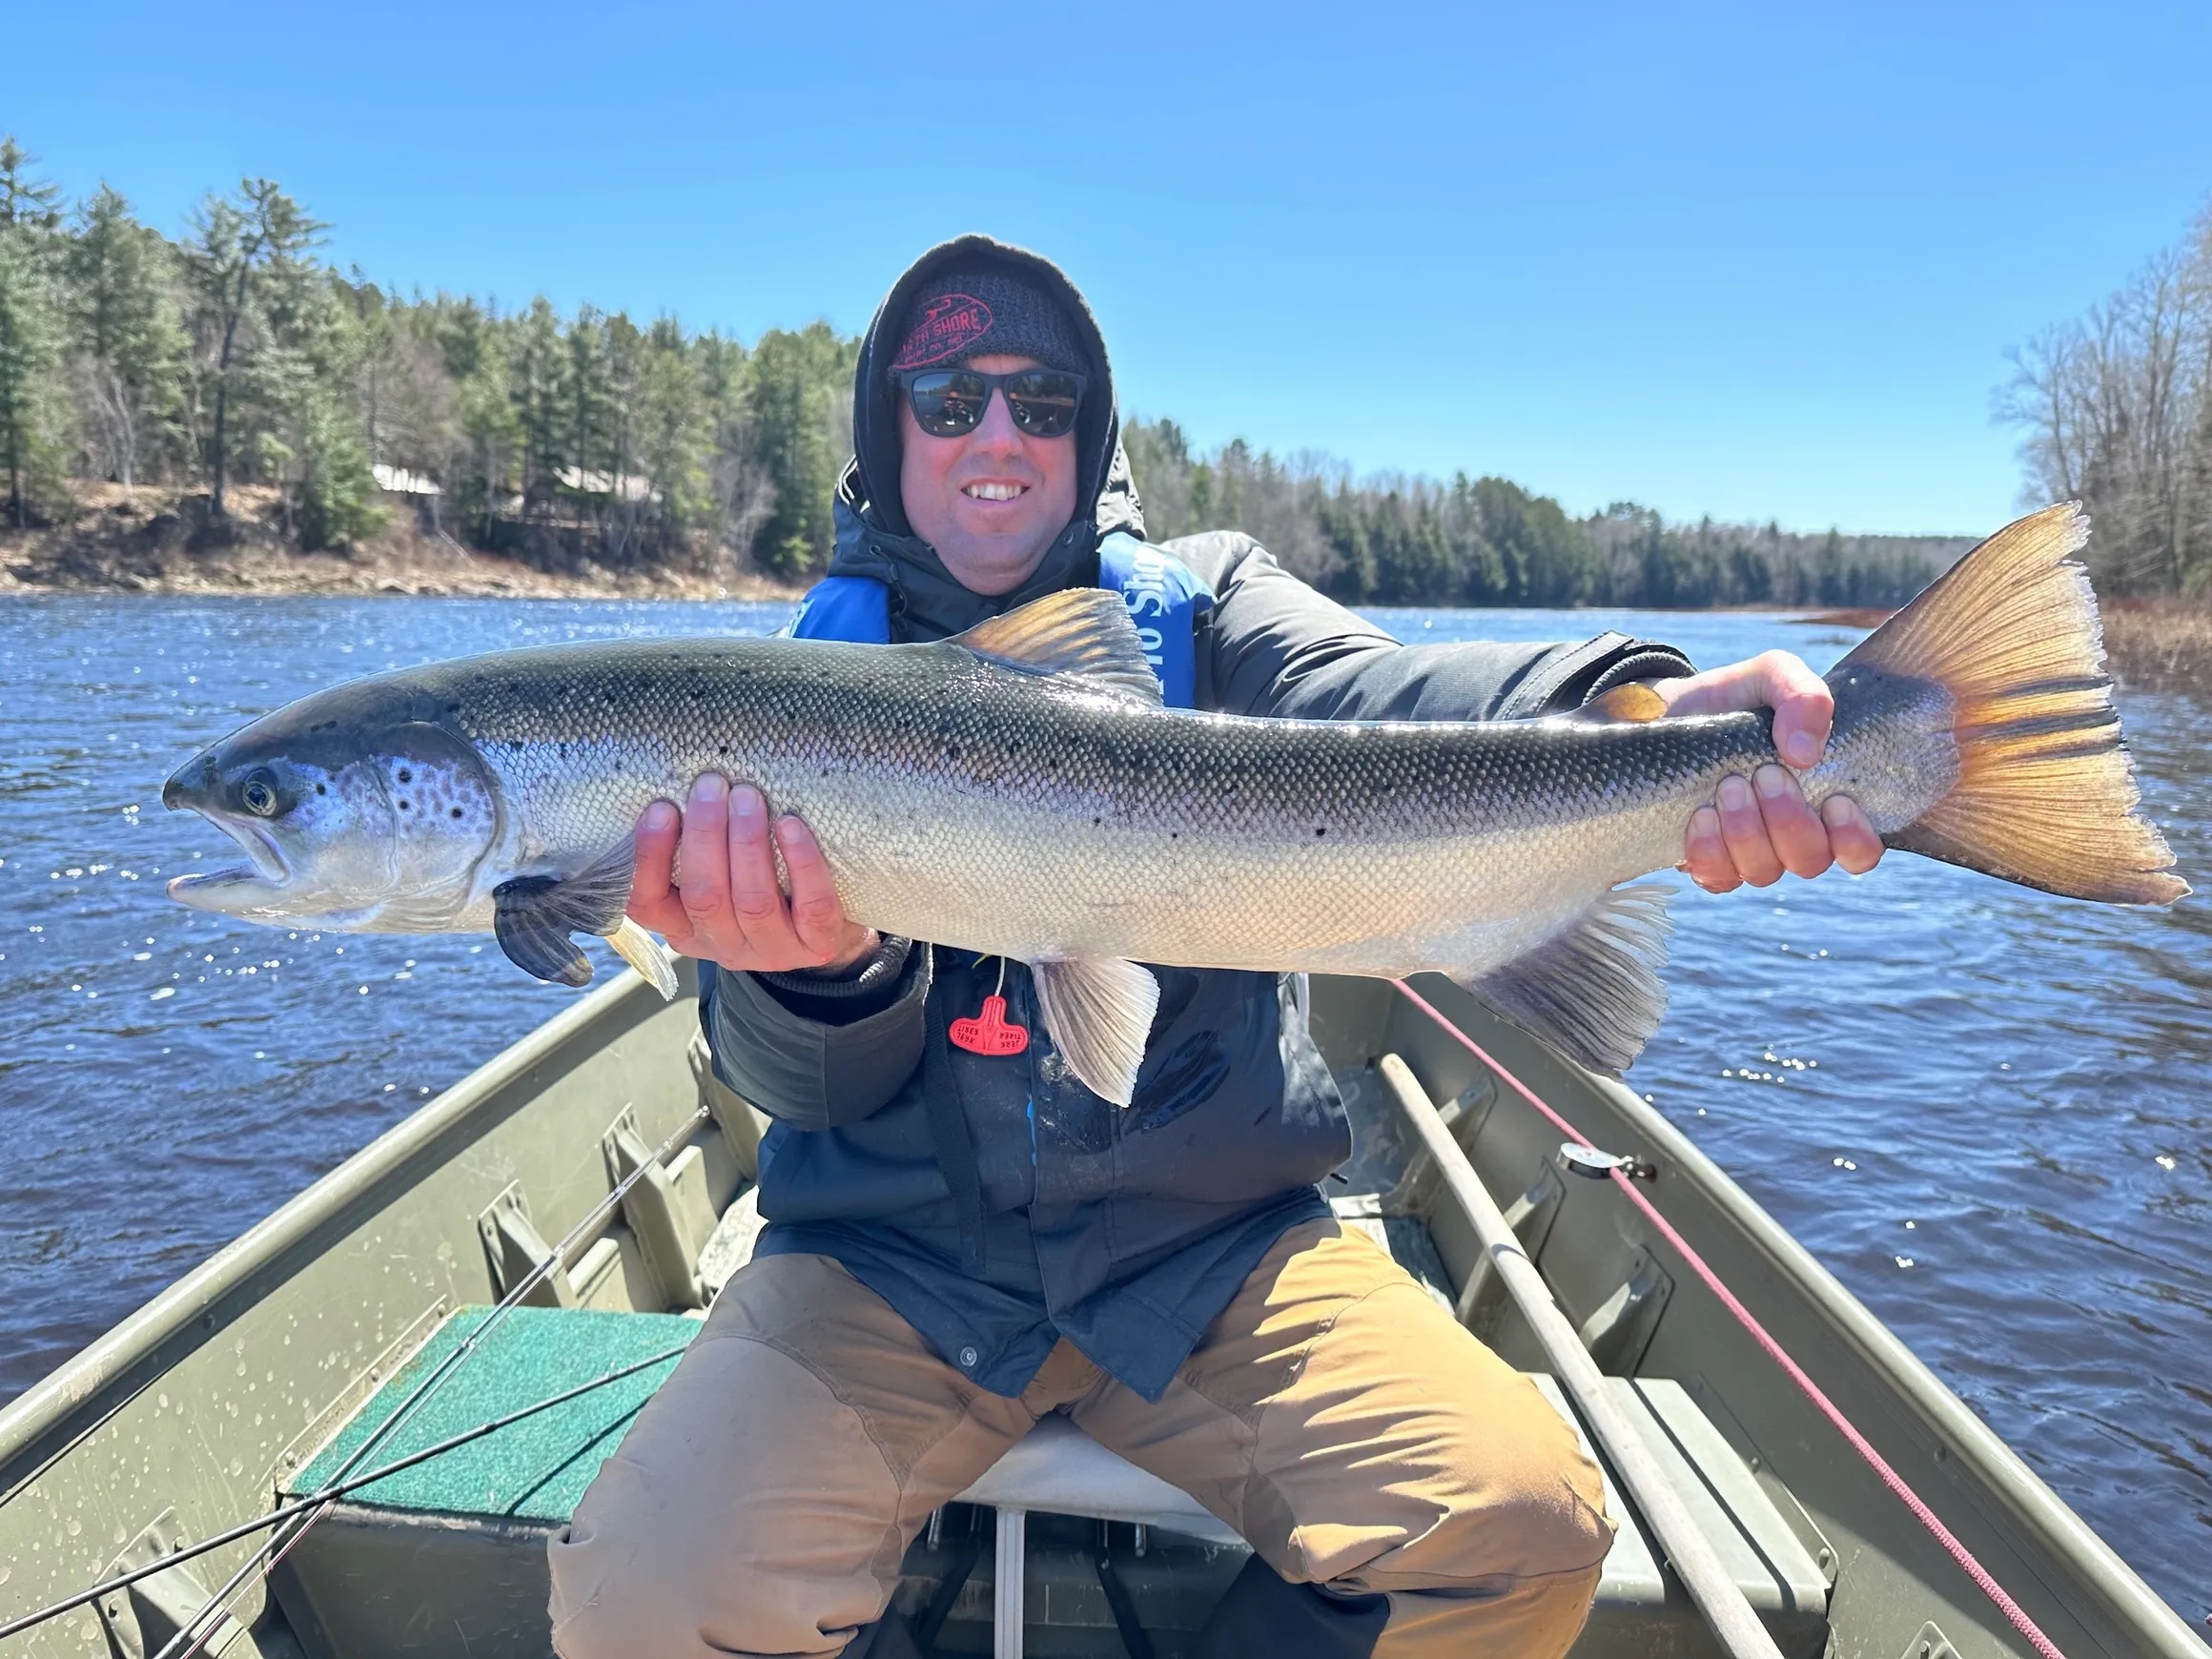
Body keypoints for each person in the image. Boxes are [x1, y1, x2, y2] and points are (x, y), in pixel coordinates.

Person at [545, 237, 1884, 1659]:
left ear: (1091, 432)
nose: (997, 434)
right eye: (947, 400)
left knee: (1523, 1529)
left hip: (1216, 1254)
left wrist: (1628, 697)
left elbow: (1388, 693)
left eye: (1041, 400)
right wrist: (813, 974)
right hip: (891, 1267)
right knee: (640, 1604)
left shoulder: (1217, 609)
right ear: (890, 437)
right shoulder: (773, 698)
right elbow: (793, 1093)